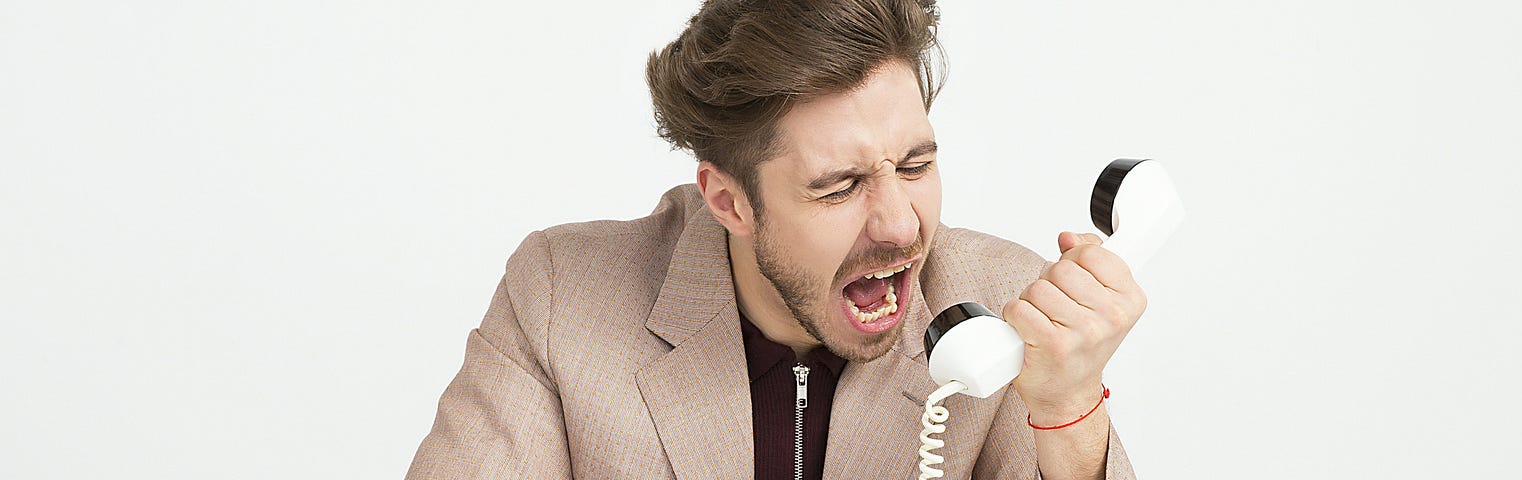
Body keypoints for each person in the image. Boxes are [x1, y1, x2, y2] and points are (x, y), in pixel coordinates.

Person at [407, 1, 1143, 478]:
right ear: (728, 199)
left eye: (916, 165)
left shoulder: (1002, 304)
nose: (901, 224)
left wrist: (1069, 409)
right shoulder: (562, 296)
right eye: (839, 186)